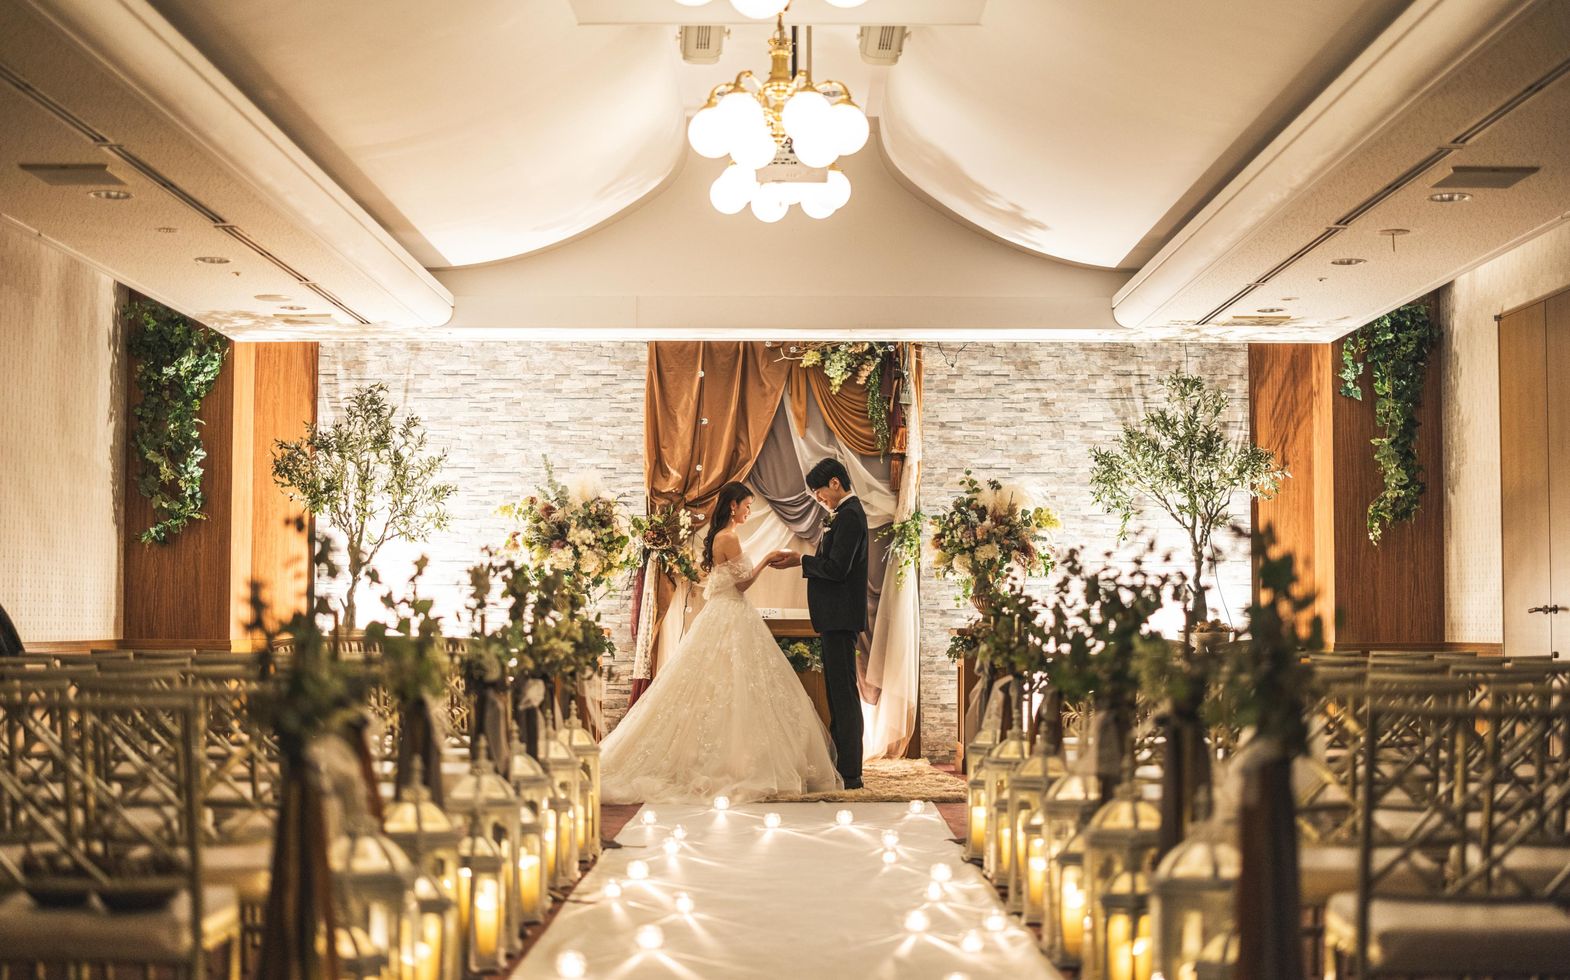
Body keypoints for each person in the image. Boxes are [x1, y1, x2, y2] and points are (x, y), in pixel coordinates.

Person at [599, 481, 842, 804]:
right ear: (732, 505)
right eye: (747, 505)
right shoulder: (728, 537)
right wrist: (767, 559)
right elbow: (741, 584)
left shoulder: (721, 536)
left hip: (724, 612)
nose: (749, 511)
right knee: (735, 684)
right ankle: (734, 765)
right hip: (731, 613)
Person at [769, 458, 868, 789]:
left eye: (819, 491)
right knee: (837, 694)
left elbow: (837, 569)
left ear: (835, 483)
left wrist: (801, 560)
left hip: (841, 617)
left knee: (844, 694)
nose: (818, 498)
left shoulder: (850, 515)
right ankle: (843, 767)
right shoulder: (844, 514)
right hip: (834, 618)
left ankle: (851, 773)